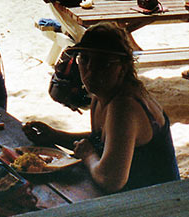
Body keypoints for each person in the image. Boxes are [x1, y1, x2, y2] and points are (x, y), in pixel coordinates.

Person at [22, 23, 179, 193]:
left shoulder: (124, 106)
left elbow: (110, 179)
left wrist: (89, 156)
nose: (90, 69)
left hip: (158, 202)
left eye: (102, 62)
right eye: (85, 59)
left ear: (123, 67)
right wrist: (55, 136)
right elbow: (105, 141)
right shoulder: (101, 95)